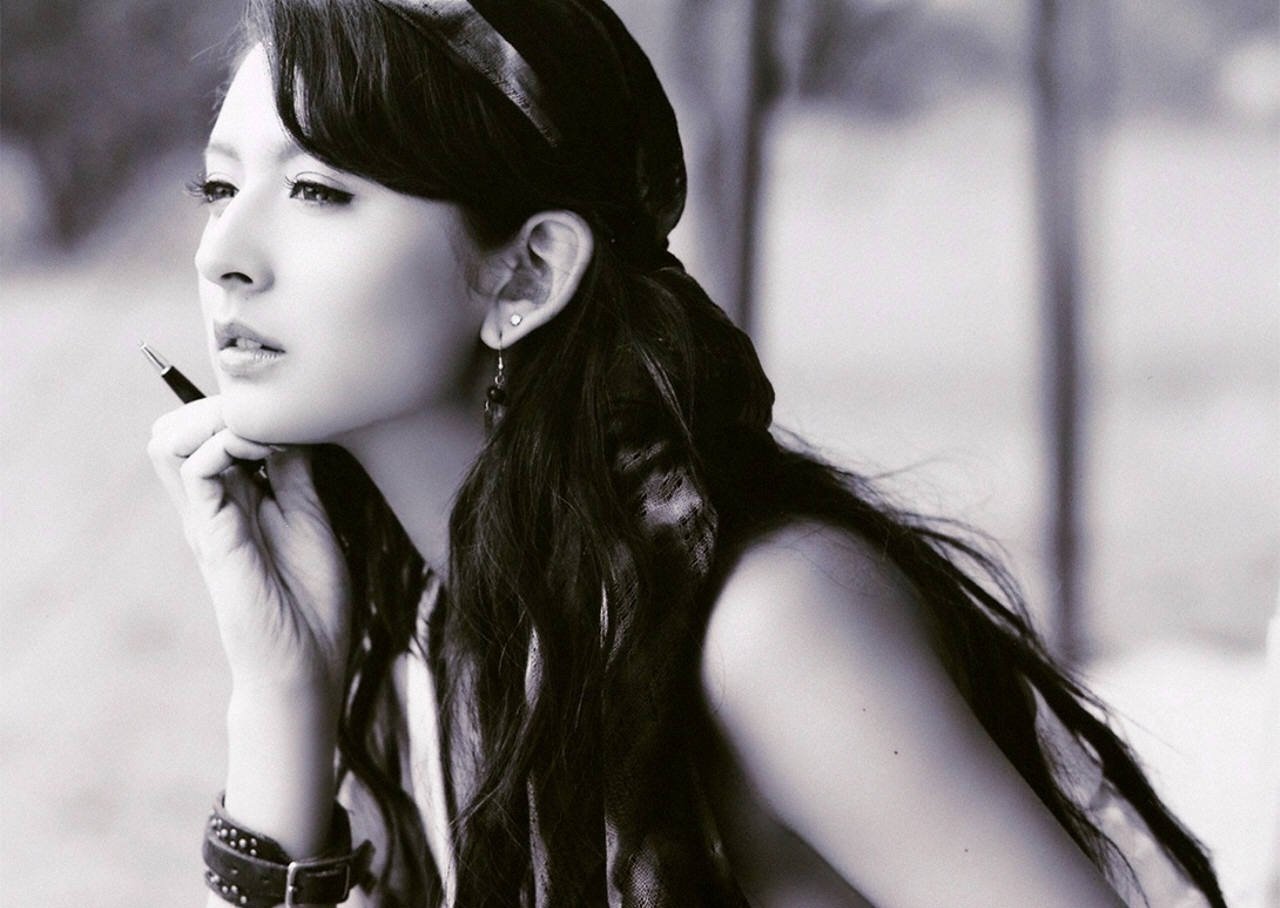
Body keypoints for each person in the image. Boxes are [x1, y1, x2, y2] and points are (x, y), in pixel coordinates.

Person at [146, 1, 1228, 906]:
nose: (223, 255)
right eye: (220, 188)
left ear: (527, 273)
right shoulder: (423, 632)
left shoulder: (765, 621)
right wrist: (281, 697)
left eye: (318, 191)